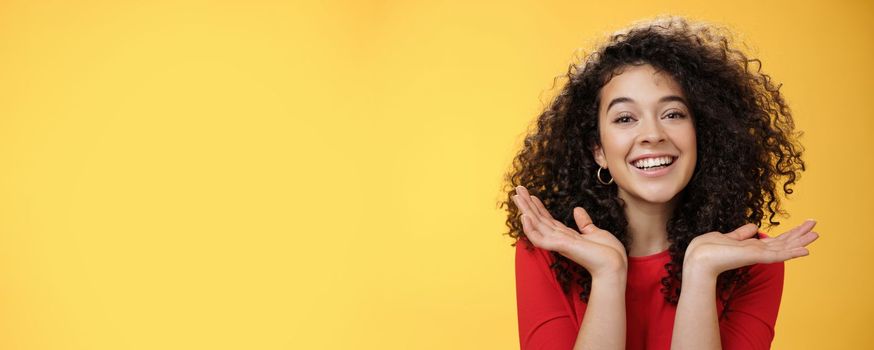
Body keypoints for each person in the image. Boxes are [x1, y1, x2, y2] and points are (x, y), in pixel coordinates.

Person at [500, 16, 820, 350]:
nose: (653, 135)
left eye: (673, 114)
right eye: (625, 118)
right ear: (599, 151)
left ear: (703, 134)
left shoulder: (749, 261)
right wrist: (608, 275)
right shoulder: (549, 251)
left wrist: (700, 273)